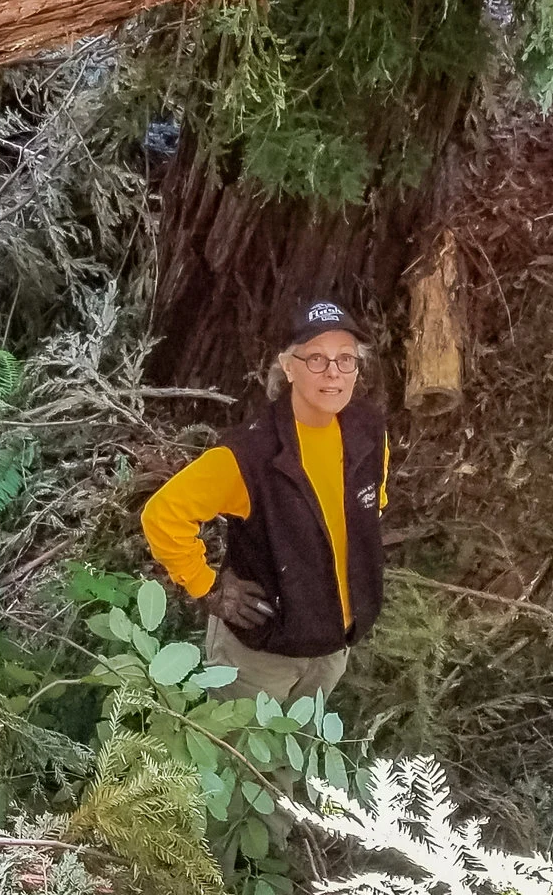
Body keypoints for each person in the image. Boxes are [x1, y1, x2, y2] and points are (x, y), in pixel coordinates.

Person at [138, 299, 389, 708]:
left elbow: (372, 506)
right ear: (288, 367)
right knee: (245, 765)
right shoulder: (248, 455)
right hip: (260, 655)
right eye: (316, 359)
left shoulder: (368, 429)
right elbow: (163, 515)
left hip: (332, 646)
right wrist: (208, 586)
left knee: (295, 761)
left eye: (346, 359)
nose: (333, 373)